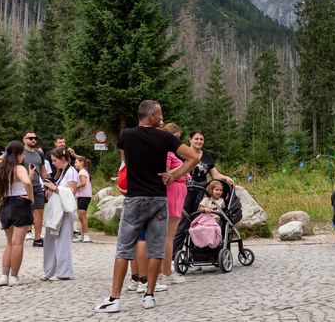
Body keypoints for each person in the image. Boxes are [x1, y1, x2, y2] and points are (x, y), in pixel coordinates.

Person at [95, 100, 200, 313]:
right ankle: (149, 295)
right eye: (159, 113)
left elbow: (126, 160)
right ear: (151, 115)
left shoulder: (126, 135)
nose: (162, 117)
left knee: (124, 249)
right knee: (156, 249)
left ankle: (115, 298)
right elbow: (194, 157)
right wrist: (174, 175)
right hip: (159, 199)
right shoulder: (165, 137)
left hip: (134, 198)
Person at [173, 130, 233, 250]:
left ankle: (196, 252)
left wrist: (226, 178)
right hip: (186, 190)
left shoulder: (207, 157)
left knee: (199, 221)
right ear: (190, 140)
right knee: (183, 222)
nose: (199, 141)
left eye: (201, 139)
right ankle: (175, 254)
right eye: (196, 139)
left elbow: (215, 175)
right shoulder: (183, 153)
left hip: (201, 192)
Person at [0, 141, 34, 286]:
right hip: (20, 205)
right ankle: (14, 277)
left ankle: (4, 276)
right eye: (23, 153)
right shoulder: (19, 168)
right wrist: (30, 197)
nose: (24, 156)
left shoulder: (2, 169)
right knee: (18, 243)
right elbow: (27, 183)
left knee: (9, 243)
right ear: (18, 155)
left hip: (5, 204)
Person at [41, 147, 78, 280]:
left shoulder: (71, 172)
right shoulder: (61, 171)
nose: (53, 163)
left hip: (65, 211)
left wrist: (55, 188)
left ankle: (64, 272)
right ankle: (49, 271)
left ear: (62, 159)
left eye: (54, 160)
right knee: (50, 241)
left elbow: (72, 192)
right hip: (57, 210)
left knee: (63, 242)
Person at [159, 122, 187, 286]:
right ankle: (166, 273)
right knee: (169, 236)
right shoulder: (168, 152)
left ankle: (162, 271)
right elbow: (165, 173)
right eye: (175, 138)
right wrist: (181, 171)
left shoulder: (169, 152)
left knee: (167, 235)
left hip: (177, 191)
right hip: (173, 191)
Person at [21, 131, 48, 247]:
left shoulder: (39, 153)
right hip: (22, 187)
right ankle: (19, 237)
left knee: (39, 212)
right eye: (30, 138)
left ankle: (37, 239)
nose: (33, 140)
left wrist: (47, 184)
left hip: (37, 186)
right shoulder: (20, 152)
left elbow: (43, 170)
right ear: (24, 139)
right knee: (23, 212)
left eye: (35, 138)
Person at [74, 156, 93, 243]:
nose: (75, 164)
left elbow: (83, 183)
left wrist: (74, 187)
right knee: (81, 216)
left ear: (81, 162)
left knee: (82, 216)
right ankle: (82, 235)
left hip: (84, 195)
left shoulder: (82, 172)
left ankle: (86, 235)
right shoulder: (83, 171)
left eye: (76, 162)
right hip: (82, 196)